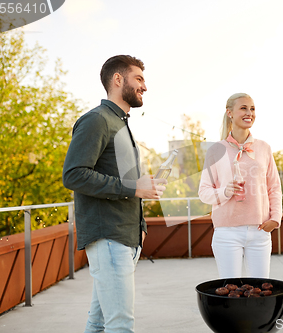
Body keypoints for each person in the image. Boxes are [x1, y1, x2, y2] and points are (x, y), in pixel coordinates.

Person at [63, 55, 167, 333]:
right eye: (139, 79)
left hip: (125, 236)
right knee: (120, 325)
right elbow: (73, 174)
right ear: (118, 80)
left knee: (98, 322)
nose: (145, 86)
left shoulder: (120, 123)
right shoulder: (96, 120)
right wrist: (134, 187)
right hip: (108, 237)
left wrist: (141, 226)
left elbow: (127, 183)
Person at [198, 93, 282, 278]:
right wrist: (225, 191)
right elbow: (204, 192)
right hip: (227, 232)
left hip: (260, 231)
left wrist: (275, 218)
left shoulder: (264, 147)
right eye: (243, 108)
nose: (249, 113)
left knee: (260, 290)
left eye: (252, 108)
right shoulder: (215, 150)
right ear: (230, 113)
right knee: (231, 291)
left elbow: (274, 187)